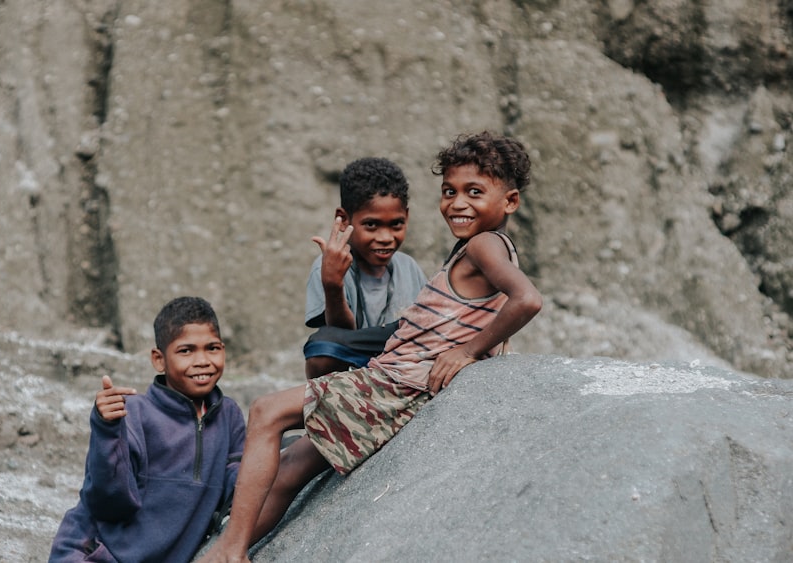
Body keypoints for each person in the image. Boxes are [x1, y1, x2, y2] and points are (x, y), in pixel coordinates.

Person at [198, 131, 543, 563]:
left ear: (509, 201)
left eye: (475, 192)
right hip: (391, 377)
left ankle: (230, 551)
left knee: (267, 411)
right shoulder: (485, 247)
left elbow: (527, 299)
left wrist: (468, 351)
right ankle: (229, 549)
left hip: (396, 384)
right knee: (291, 467)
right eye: (449, 191)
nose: (457, 203)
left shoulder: (483, 244)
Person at [49, 296, 246, 563]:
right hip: (93, 554)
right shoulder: (134, 412)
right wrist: (106, 428)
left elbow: (240, 485)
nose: (202, 360)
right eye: (186, 351)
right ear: (159, 359)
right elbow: (108, 501)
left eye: (212, 348)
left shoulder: (229, 417)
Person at [303, 157, 427, 379]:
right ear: (343, 219)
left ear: (406, 217)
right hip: (350, 375)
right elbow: (338, 339)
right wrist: (333, 284)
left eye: (396, 224)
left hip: (402, 372)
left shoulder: (409, 268)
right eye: (371, 225)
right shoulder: (327, 266)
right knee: (321, 345)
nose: (385, 238)